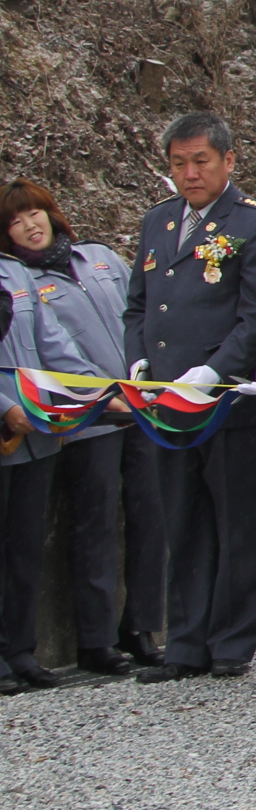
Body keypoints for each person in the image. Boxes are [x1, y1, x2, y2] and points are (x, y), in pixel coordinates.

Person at [123, 111, 256, 683]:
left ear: (228, 160)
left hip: (228, 401)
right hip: (168, 401)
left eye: (200, 161)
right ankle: (186, 643)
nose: (189, 174)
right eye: (178, 164)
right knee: (184, 522)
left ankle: (231, 641)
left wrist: (215, 370)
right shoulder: (159, 220)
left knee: (236, 521)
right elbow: (140, 304)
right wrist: (139, 360)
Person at [2, 179, 160, 674]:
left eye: (35, 213)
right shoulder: (22, 278)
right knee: (94, 523)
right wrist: (100, 397)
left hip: (140, 402)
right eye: (15, 221)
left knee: (151, 516)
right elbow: (60, 355)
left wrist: (148, 379)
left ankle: (142, 625)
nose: (30, 225)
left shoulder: (98, 257)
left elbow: (141, 313)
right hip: (86, 416)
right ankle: (95, 638)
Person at [0, 238, 62, 692]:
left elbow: (51, 341)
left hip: (34, 429)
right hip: (9, 419)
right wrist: (4, 407)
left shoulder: (14, 271)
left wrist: (95, 391)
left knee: (25, 546)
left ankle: (20, 649)